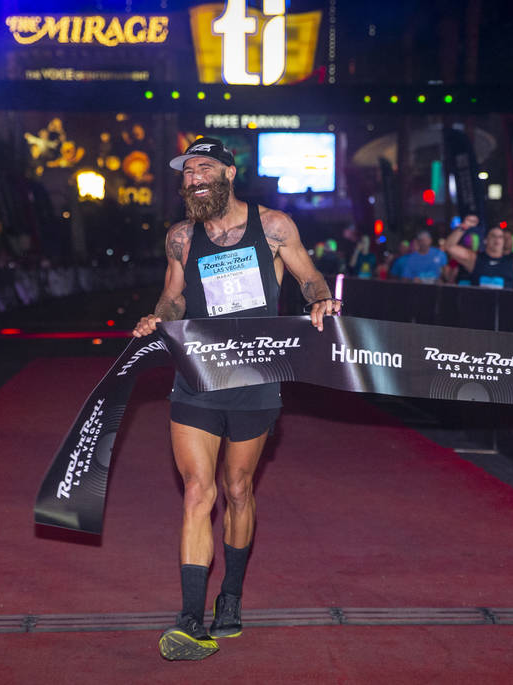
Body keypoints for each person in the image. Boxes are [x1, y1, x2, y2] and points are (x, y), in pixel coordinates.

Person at [133, 137, 339, 661]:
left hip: (255, 377)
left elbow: (310, 278)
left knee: (238, 488)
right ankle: (189, 618)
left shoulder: (273, 226)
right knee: (198, 491)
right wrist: (159, 316)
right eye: (186, 171)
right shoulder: (181, 236)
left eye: (204, 167)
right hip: (197, 375)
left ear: (228, 172)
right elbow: (174, 295)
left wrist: (321, 302)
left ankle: (231, 597)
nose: (193, 177)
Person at [445, 215, 513, 290]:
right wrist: (464, 226)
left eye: (500, 237)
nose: (497, 240)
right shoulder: (475, 258)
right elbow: (449, 247)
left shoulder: (512, 262)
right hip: (479, 306)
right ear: (485, 240)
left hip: (504, 306)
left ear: (503, 241)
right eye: (493, 236)